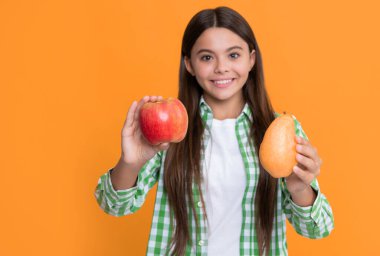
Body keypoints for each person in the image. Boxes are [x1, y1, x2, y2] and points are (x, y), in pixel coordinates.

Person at [94, 6, 334, 256]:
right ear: (189, 64)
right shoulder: (171, 131)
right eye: (207, 57)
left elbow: (319, 228)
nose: (221, 68)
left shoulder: (280, 129)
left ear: (251, 59)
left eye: (233, 55)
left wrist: (299, 188)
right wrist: (130, 162)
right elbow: (113, 206)